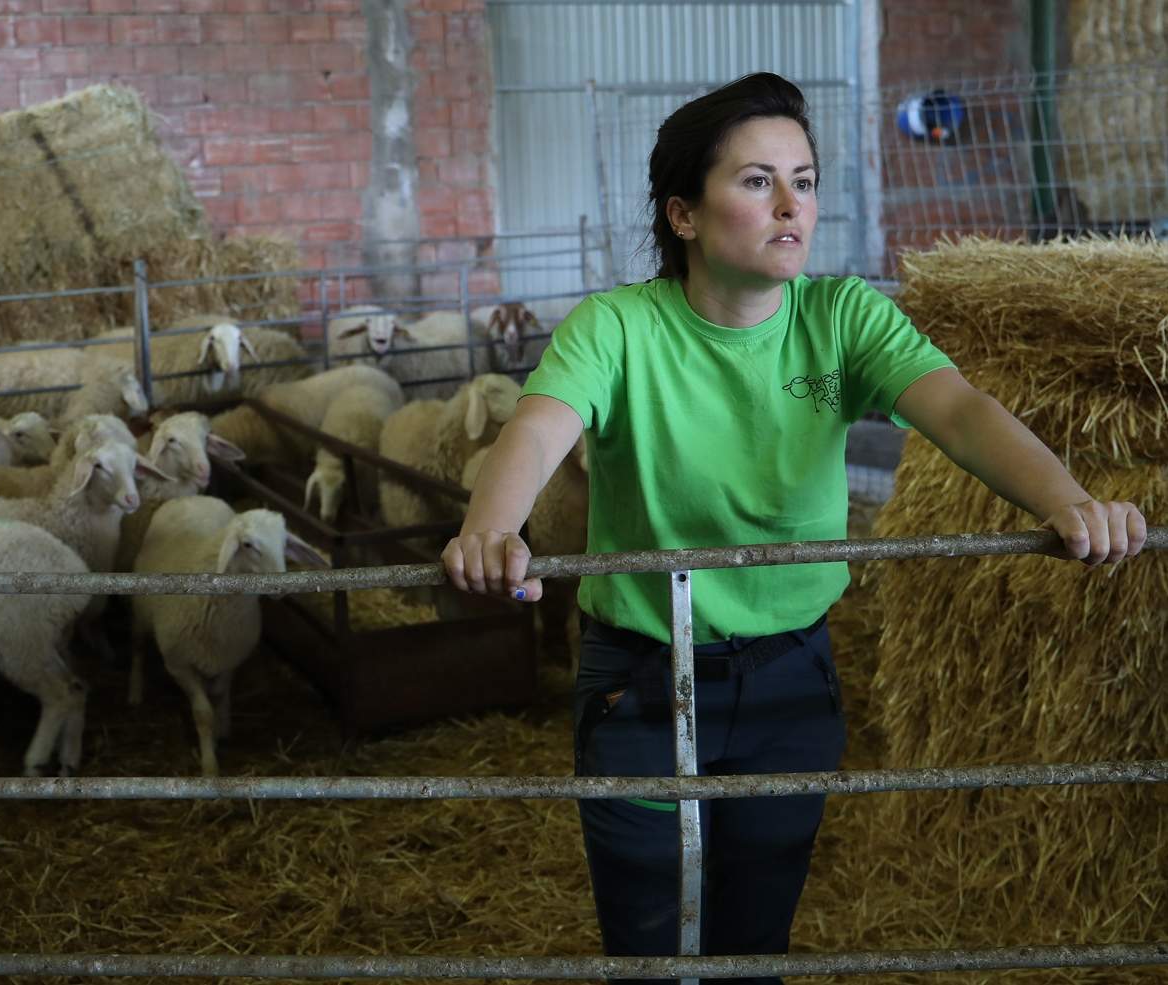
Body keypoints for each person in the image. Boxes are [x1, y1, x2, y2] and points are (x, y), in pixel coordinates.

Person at [440, 72, 1148, 984]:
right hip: (642, 680)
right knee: (648, 928)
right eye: (756, 181)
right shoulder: (619, 327)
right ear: (683, 215)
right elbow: (539, 423)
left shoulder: (842, 317)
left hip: (789, 677)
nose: (790, 205)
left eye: (804, 181)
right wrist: (491, 528)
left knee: (754, 932)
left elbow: (962, 411)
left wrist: (1066, 497)